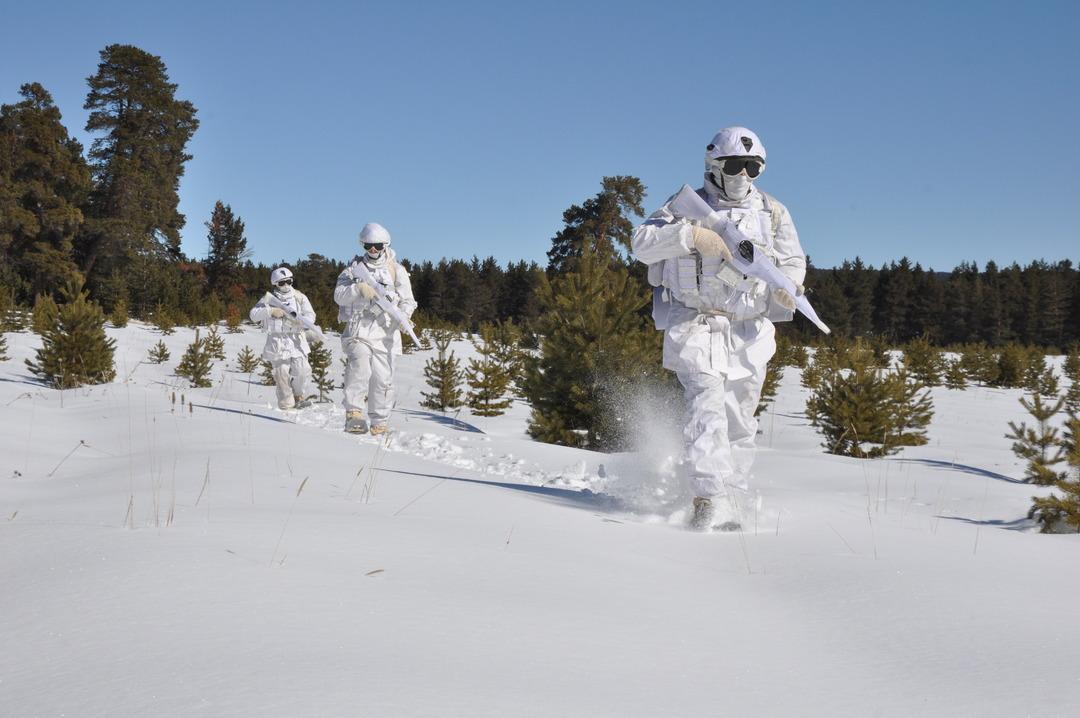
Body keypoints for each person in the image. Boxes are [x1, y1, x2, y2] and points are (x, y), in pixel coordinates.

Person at [631, 127, 807, 531]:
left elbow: (793, 258)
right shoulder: (683, 206)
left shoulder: (773, 212)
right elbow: (641, 242)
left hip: (750, 330)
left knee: (739, 420)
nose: (744, 174)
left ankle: (735, 496)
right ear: (714, 164)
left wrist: (790, 287)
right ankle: (708, 499)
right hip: (695, 321)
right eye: (735, 165)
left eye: (753, 166)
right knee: (706, 409)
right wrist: (690, 235)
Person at [334, 222, 417, 435]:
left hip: (386, 333)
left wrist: (404, 317)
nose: (373, 250)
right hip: (358, 329)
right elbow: (339, 296)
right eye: (368, 246)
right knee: (360, 365)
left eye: (378, 246)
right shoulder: (352, 270)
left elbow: (408, 300)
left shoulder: (396, 271)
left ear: (385, 245)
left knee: (382, 379)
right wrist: (358, 288)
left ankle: (379, 422)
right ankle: (354, 413)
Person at [249, 266, 317, 410]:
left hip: (297, 340)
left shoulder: (300, 297)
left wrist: (302, 321)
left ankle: (299, 395)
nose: (286, 285)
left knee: (303, 370)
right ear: (275, 284)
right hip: (277, 341)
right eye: (282, 283)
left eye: (289, 281)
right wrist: (270, 311)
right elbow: (253, 315)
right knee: (281, 374)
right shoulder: (268, 300)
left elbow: (311, 315)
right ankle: (286, 405)